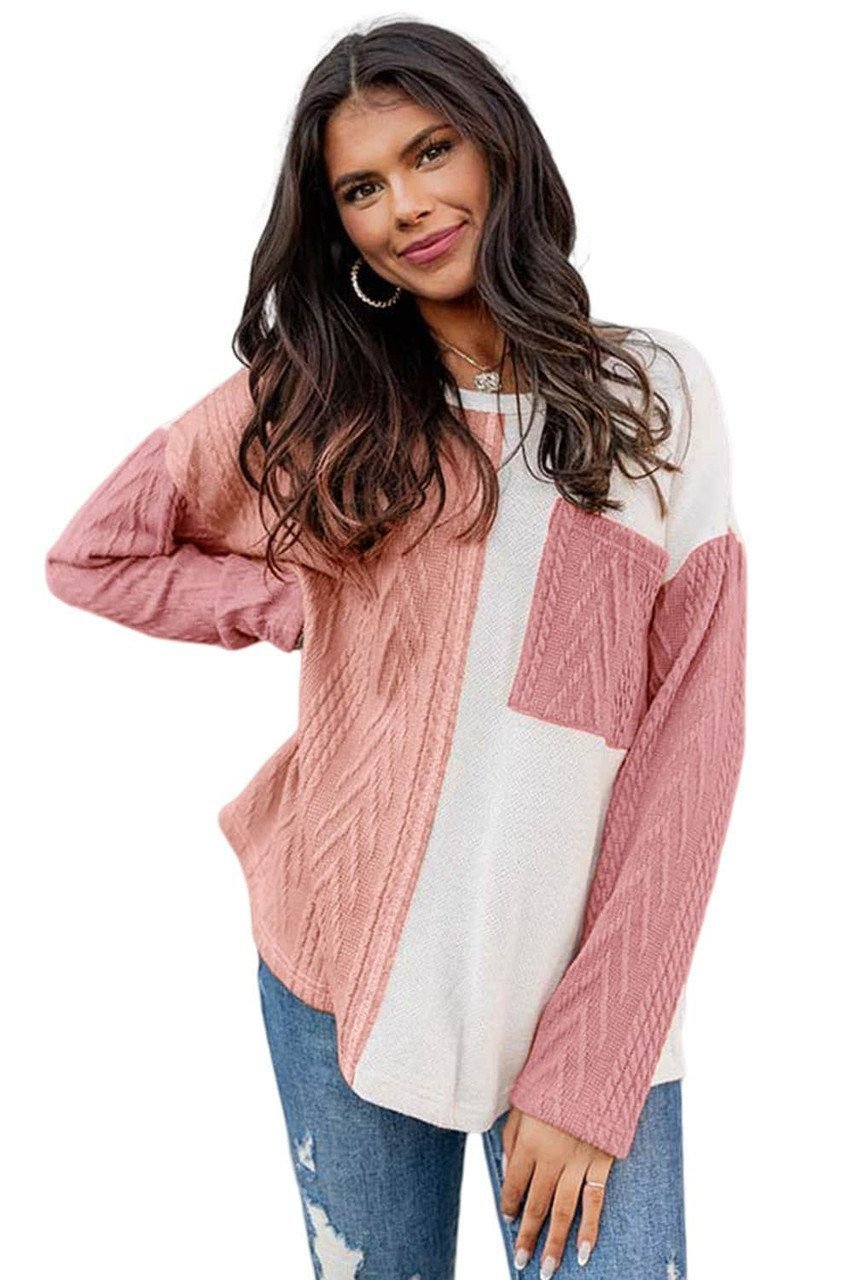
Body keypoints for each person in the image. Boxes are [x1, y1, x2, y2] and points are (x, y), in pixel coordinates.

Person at [44, 18, 747, 1280]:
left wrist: (593, 1062)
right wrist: (289, 602)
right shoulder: (316, 398)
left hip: (583, 994)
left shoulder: (651, 396)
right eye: (360, 188)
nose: (406, 207)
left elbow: (688, 742)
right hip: (341, 966)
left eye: (430, 153)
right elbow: (93, 551)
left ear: (496, 150)